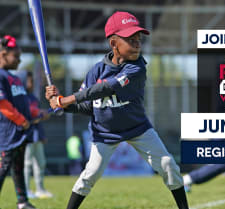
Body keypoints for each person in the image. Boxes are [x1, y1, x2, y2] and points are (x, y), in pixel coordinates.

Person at [45, 11, 189, 209]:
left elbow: (108, 87)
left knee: (168, 165)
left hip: (138, 129)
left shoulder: (137, 67)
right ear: (114, 44)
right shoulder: (95, 71)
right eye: (131, 39)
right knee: (89, 175)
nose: (138, 44)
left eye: (139, 39)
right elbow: (88, 107)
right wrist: (61, 105)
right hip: (105, 133)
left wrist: (68, 99)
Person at [0, 35, 37, 209]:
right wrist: (22, 120)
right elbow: (3, 104)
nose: (19, 60)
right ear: (3, 54)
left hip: (21, 131)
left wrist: (37, 113)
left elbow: (22, 102)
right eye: (16, 56)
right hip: (7, 133)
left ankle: (22, 202)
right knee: (3, 168)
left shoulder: (13, 77)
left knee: (18, 168)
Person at [15, 71, 53, 199]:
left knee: (40, 163)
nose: (31, 84)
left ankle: (40, 189)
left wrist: (42, 135)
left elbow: (37, 117)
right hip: (26, 136)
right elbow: (28, 113)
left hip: (36, 135)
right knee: (27, 164)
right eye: (29, 81)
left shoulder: (33, 97)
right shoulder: (20, 96)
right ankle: (25, 190)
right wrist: (38, 113)